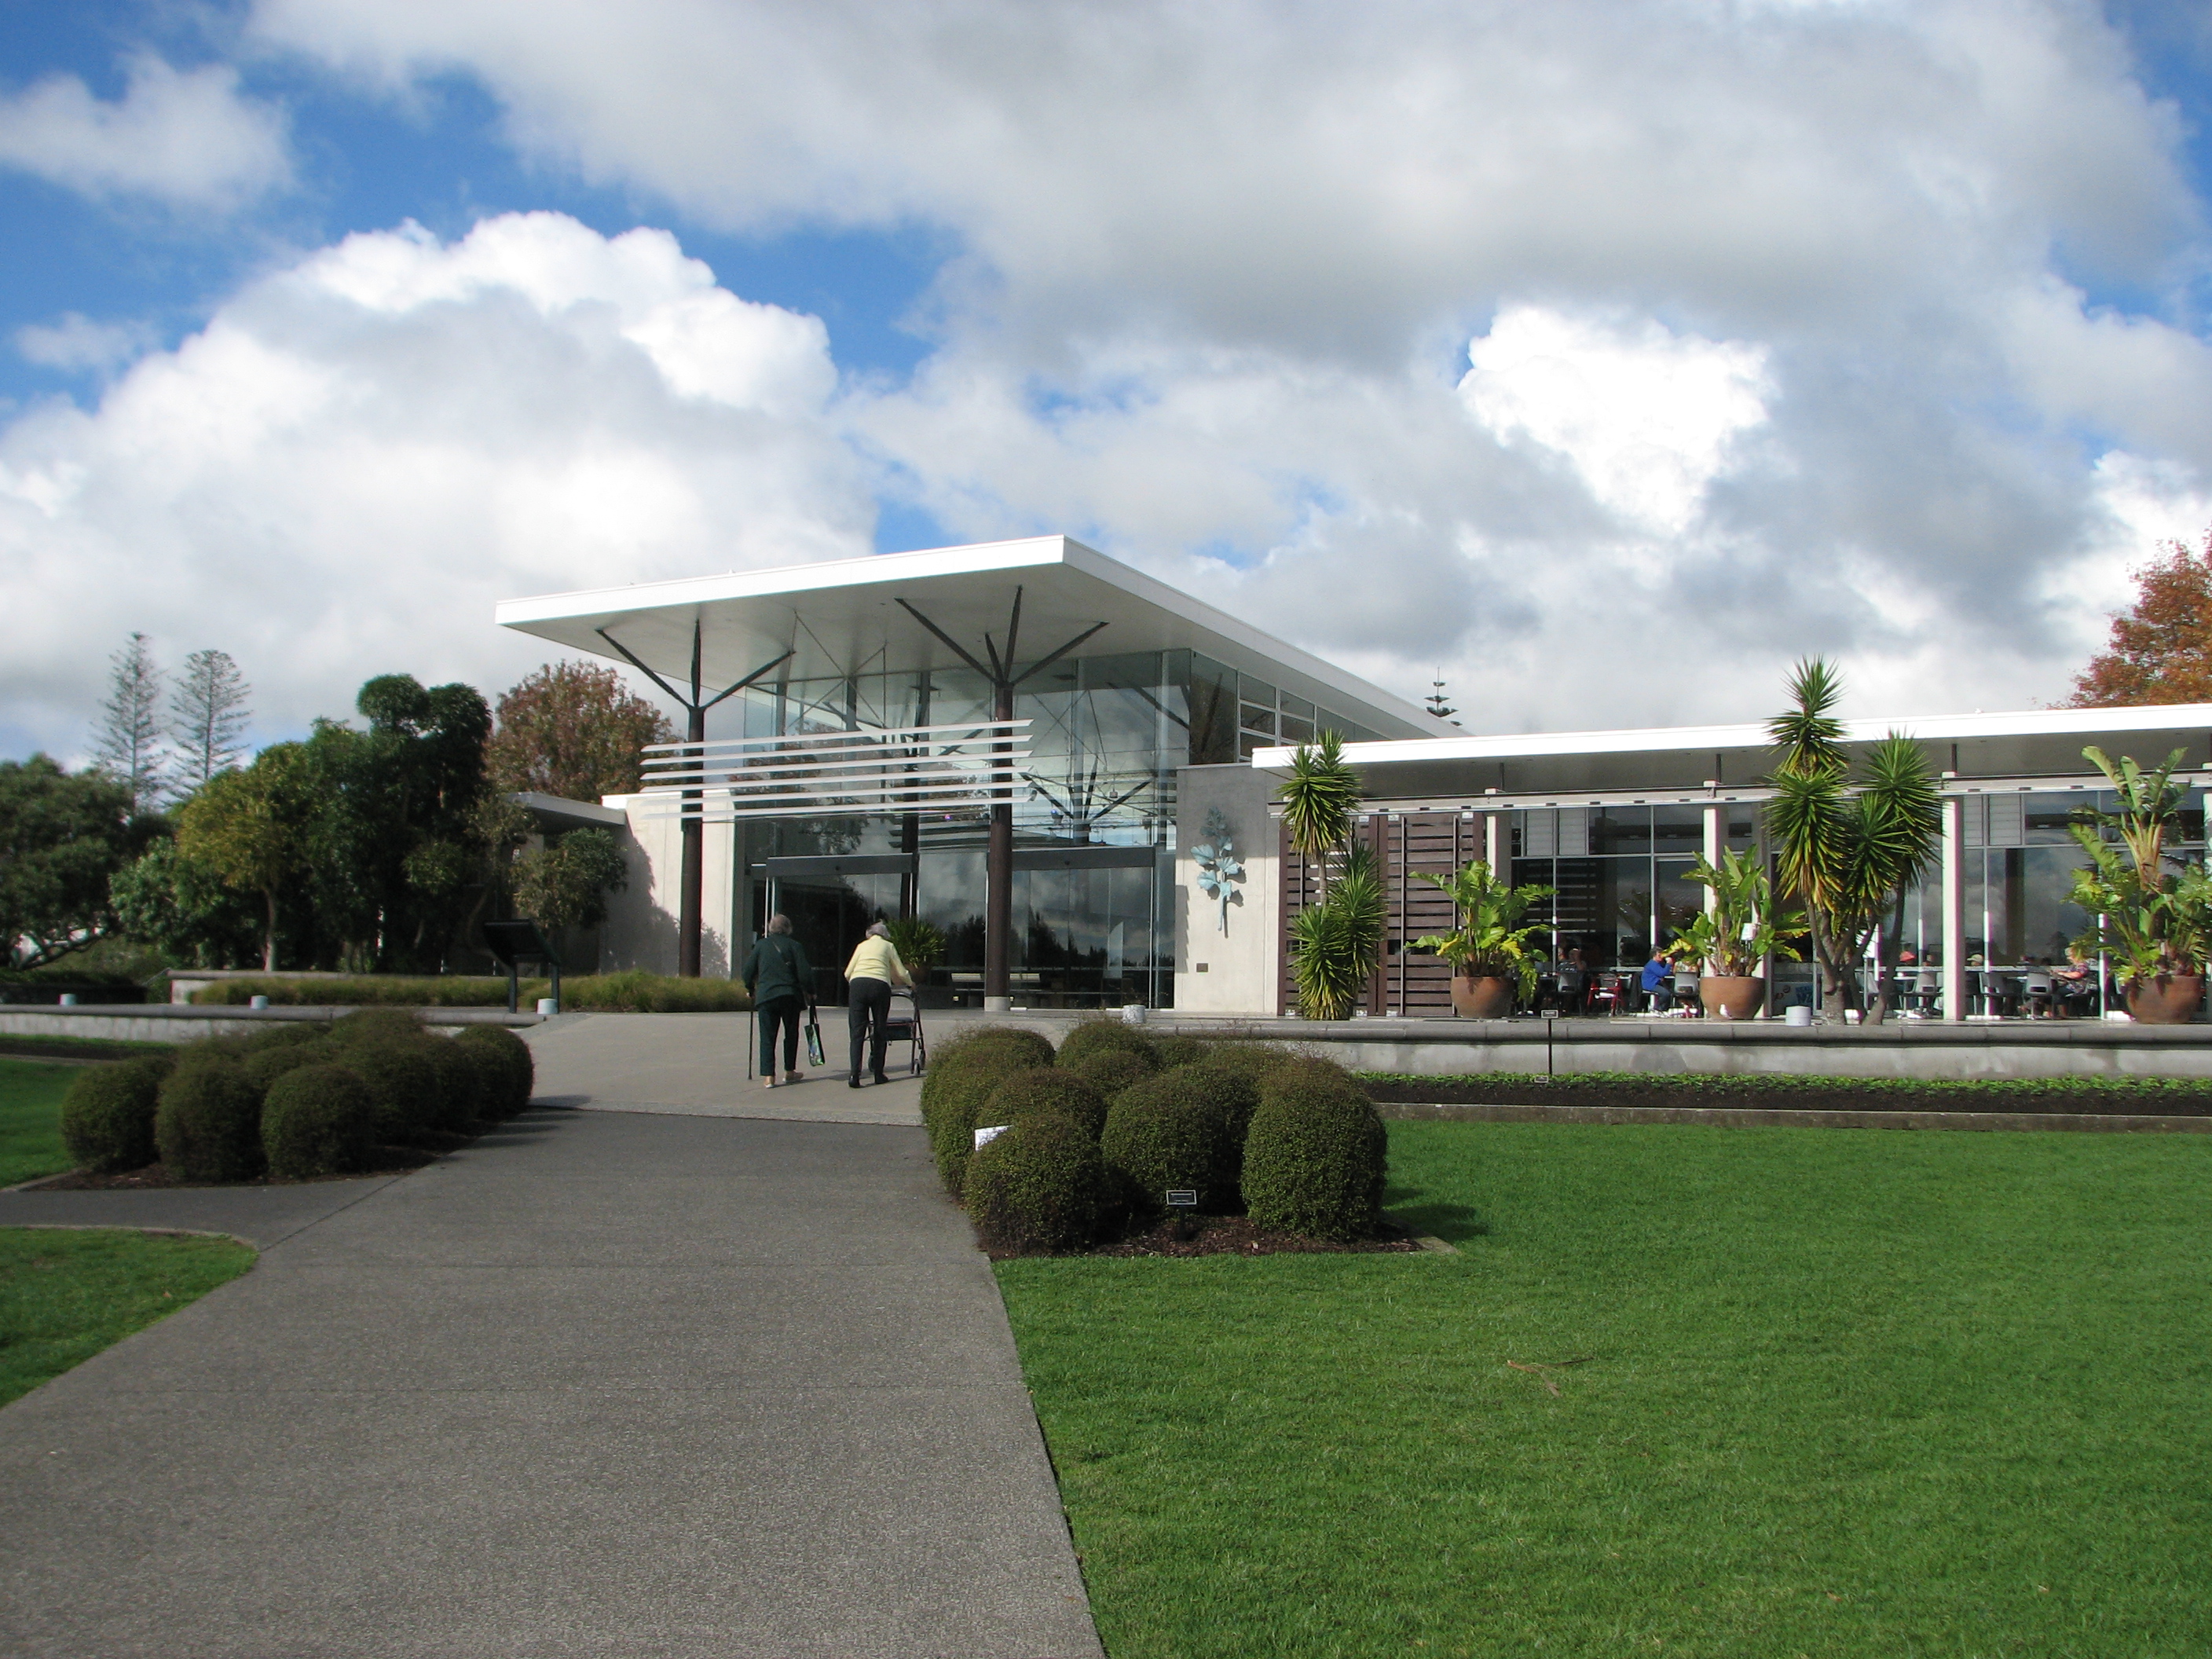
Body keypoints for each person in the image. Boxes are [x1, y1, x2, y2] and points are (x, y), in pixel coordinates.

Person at [741, 914, 814, 1088]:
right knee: (791, 1034)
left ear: (770, 928)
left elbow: (748, 971)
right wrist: (811, 991)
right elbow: (804, 972)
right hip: (790, 995)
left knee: (767, 1036)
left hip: (767, 996)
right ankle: (789, 1072)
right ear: (788, 928)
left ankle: (768, 1076)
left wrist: (750, 988)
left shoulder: (761, 945)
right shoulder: (795, 946)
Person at [842, 921, 912, 1088]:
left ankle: (854, 1075)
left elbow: (847, 973)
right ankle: (879, 1074)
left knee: (857, 1032)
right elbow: (901, 972)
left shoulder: (861, 946)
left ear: (869, 934)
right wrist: (911, 983)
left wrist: (856, 982)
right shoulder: (888, 946)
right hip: (880, 986)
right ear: (885, 934)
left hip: (858, 985)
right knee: (880, 1028)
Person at [1639, 945, 1675, 1013]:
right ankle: (1657, 1008)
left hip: (1655, 983)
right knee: (1666, 994)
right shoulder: (1652, 964)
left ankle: (1663, 1009)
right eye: (1659, 955)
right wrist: (1668, 964)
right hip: (1650, 984)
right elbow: (1662, 973)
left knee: (1670, 992)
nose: (1661, 956)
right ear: (1654, 956)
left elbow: (1665, 972)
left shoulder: (1658, 964)